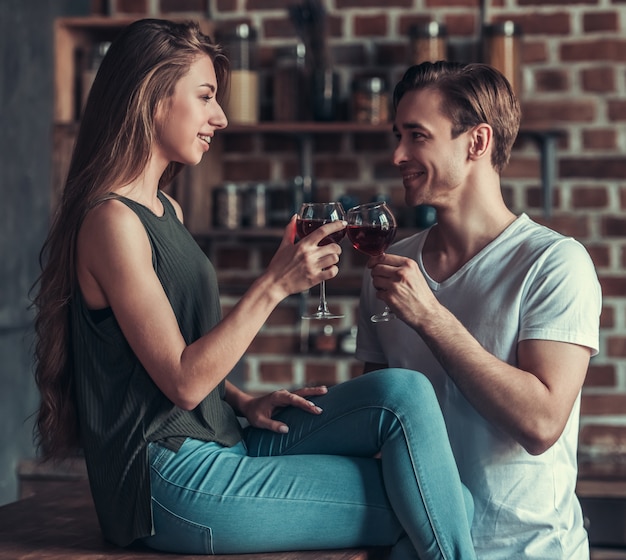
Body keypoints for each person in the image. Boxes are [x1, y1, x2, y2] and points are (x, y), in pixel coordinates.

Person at [32, 19, 477, 559]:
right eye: (205, 97)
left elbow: (151, 361)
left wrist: (241, 399)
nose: (220, 116)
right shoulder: (112, 222)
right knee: (448, 503)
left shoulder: (164, 209)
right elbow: (181, 382)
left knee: (403, 394)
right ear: (151, 99)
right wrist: (274, 284)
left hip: (222, 439)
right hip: (167, 483)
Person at [355, 60, 602, 559]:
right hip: (416, 548)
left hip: (529, 550)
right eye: (397, 135)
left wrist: (431, 318)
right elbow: (376, 417)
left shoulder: (553, 262)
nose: (398, 154)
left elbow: (541, 424)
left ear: (476, 142)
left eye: (417, 136)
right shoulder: (391, 265)